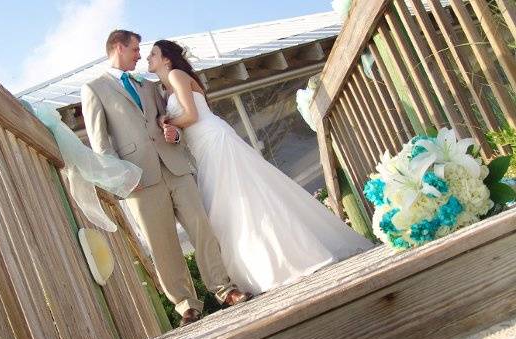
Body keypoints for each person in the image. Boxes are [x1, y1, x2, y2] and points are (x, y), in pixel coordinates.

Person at [148, 39, 374, 294]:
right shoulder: (164, 91)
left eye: (153, 54)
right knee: (231, 204)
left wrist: (167, 120)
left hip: (214, 140)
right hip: (201, 149)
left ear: (166, 58)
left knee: (245, 198)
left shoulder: (177, 75)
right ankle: (266, 265)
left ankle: (294, 257)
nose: (148, 58)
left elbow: (192, 115)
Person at [81, 30, 251, 327]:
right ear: (118, 47)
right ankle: (187, 306)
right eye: (135, 49)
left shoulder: (148, 85)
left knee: (202, 228)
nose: (139, 55)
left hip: (175, 167)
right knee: (162, 245)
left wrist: (172, 133)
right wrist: (123, 180)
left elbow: (165, 122)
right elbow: (100, 144)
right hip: (139, 180)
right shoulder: (94, 88)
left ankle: (225, 290)